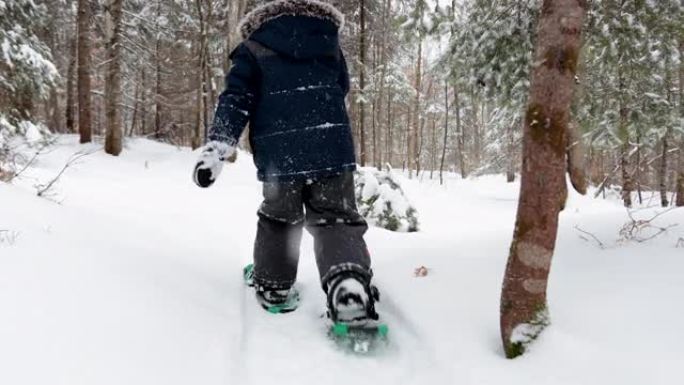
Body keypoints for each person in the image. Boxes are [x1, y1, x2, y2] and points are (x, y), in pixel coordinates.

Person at [192, 0, 378, 324]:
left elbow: (236, 99)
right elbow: (341, 87)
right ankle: (348, 285)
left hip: (281, 153)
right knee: (336, 219)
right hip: (331, 145)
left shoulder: (253, 46)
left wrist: (218, 147)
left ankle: (274, 285)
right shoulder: (327, 38)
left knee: (280, 218)